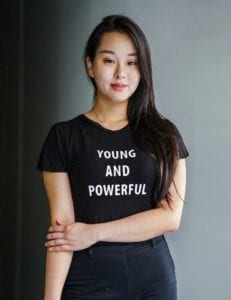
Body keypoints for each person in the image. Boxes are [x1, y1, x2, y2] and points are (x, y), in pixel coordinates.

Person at [37, 14, 189, 300]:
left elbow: (170, 217)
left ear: (142, 69)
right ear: (90, 65)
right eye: (109, 61)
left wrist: (94, 232)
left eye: (132, 63)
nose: (121, 73)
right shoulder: (64, 136)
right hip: (87, 280)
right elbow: (63, 232)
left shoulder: (164, 134)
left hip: (152, 280)